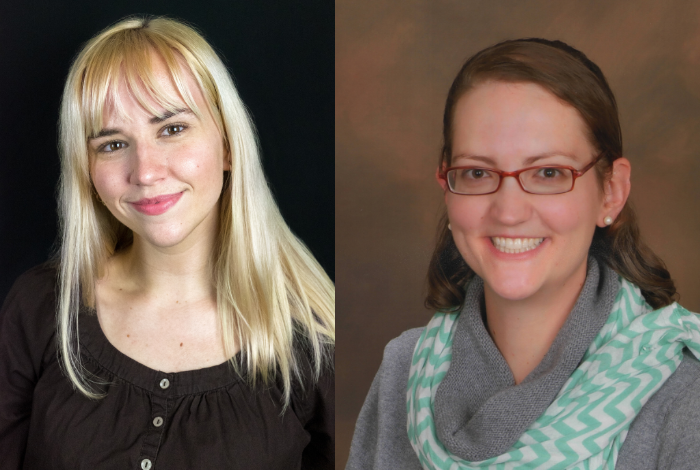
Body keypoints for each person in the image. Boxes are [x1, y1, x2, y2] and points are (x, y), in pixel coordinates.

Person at [347, 38, 700, 469]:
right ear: (447, 185)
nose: (509, 212)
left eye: (548, 173)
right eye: (477, 172)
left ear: (611, 192)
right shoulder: (402, 372)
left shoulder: (686, 393)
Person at [0, 16, 334, 470]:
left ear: (229, 144)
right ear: (88, 171)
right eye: (113, 144)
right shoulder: (39, 308)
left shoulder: (316, 339)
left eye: (172, 129)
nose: (146, 171)